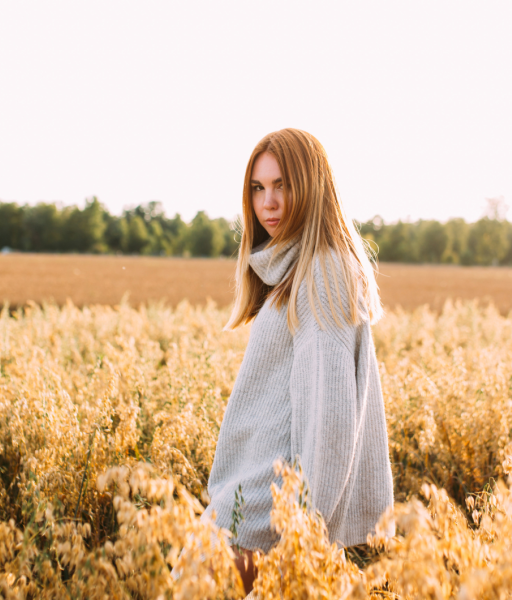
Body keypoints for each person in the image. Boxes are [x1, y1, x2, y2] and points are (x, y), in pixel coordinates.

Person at [202, 128, 394, 595]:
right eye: (258, 188)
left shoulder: (322, 272)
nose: (268, 202)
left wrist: (304, 531)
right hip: (250, 506)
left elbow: (330, 420)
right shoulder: (301, 271)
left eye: (282, 185)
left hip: (265, 515)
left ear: (311, 185)